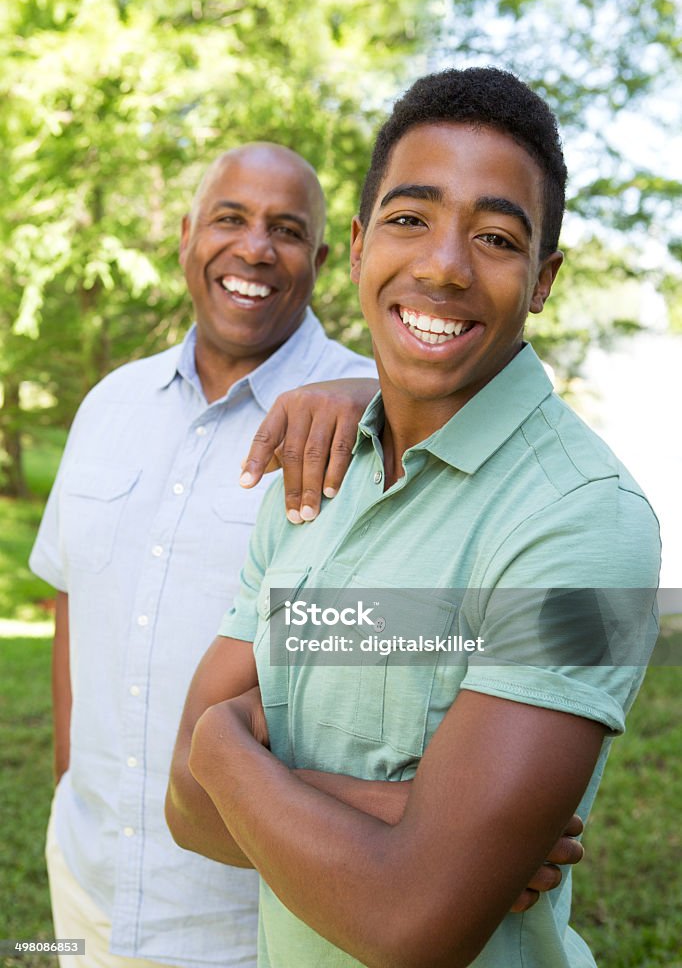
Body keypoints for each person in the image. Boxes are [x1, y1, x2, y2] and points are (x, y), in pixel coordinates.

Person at [167, 69, 661, 968]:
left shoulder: (594, 526)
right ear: (356, 248)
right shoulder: (313, 473)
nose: (444, 264)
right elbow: (186, 815)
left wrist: (218, 746)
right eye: (410, 219)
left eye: (498, 237)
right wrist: (401, 825)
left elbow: (415, 925)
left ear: (544, 279)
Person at [29, 142, 377, 968]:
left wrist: (383, 396)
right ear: (187, 236)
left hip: (255, 920)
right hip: (85, 887)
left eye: (286, 230)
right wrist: (67, 778)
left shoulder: (381, 416)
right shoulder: (109, 405)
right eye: (231, 219)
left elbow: (435, 634)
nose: (255, 248)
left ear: (322, 261)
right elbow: (74, 597)